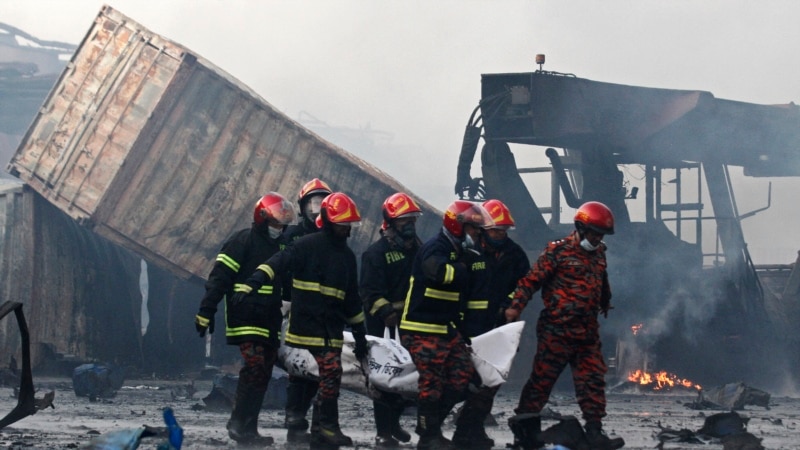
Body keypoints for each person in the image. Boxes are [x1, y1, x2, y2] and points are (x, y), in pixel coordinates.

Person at [237, 192, 369, 448]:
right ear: (330, 221)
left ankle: (321, 431)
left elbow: (352, 299)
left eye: (349, 225)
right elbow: (277, 262)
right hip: (307, 327)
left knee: (325, 376)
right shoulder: (307, 245)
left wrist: (361, 334)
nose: (347, 230)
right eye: (343, 224)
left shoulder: (347, 258)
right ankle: (325, 426)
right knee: (329, 373)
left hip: (331, 328)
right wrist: (255, 280)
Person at [504, 201, 625, 450]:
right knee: (541, 382)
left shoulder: (600, 253)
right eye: (593, 233)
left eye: (600, 234)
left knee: (592, 381)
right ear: (580, 227)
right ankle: (524, 433)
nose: (597, 238)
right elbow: (531, 281)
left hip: (587, 332)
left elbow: (601, 280)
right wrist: (516, 307)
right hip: (557, 331)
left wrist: (605, 302)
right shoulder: (557, 251)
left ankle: (594, 432)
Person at [194, 192, 296, 445]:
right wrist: (207, 311)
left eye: (282, 225)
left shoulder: (282, 245)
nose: (279, 229)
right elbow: (219, 278)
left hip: (270, 317)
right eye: (275, 224)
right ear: (261, 219)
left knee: (263, 372)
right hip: (246, 314)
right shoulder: (242, 241)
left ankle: (249, 428)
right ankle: (238, 423)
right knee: (255, 366)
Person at [399, 200, 494, 450]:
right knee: (431, 382)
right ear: (458, 226)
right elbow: (439, 273)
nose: (477, 235)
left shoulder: (461, 251)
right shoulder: (435, 248)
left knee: (463, 377)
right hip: (422, 328)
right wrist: (465, 269)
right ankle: (429, 437)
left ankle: (430, 425)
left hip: (446, 329)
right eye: (474, 230)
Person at [451, 199, 530, 450]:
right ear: (484, 229)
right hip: (470, 328)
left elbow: (524, 284)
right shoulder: (468, 251)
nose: (501, 235)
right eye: (497, 230)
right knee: (469, 381)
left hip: (499, 326)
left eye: (504, 231)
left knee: (492, 381)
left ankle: (472, 428)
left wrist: (511, 305)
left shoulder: (514, 254)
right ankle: (457, 429)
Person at [360, 192, 423, 448]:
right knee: (386, 380)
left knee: (407, 378)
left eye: (412, 220)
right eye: (404, 220)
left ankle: (394, 423)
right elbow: (368, 292)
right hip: (383, 329)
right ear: (390, 221)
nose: (409, 225)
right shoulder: (376, 253)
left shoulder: (417, 250)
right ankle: (383, 433)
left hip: (412, 325)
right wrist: (386, 312)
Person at [282, 177, 333, 442]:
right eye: (312, 204)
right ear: (303, 207)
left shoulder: (333, 237)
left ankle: (315, 425)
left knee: (320, 369)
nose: (316, 209)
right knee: (299, 366)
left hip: (324, 314)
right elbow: (281, 267)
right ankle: (294, 419)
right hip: (296, 311)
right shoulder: (292, 235)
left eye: (321, 203)